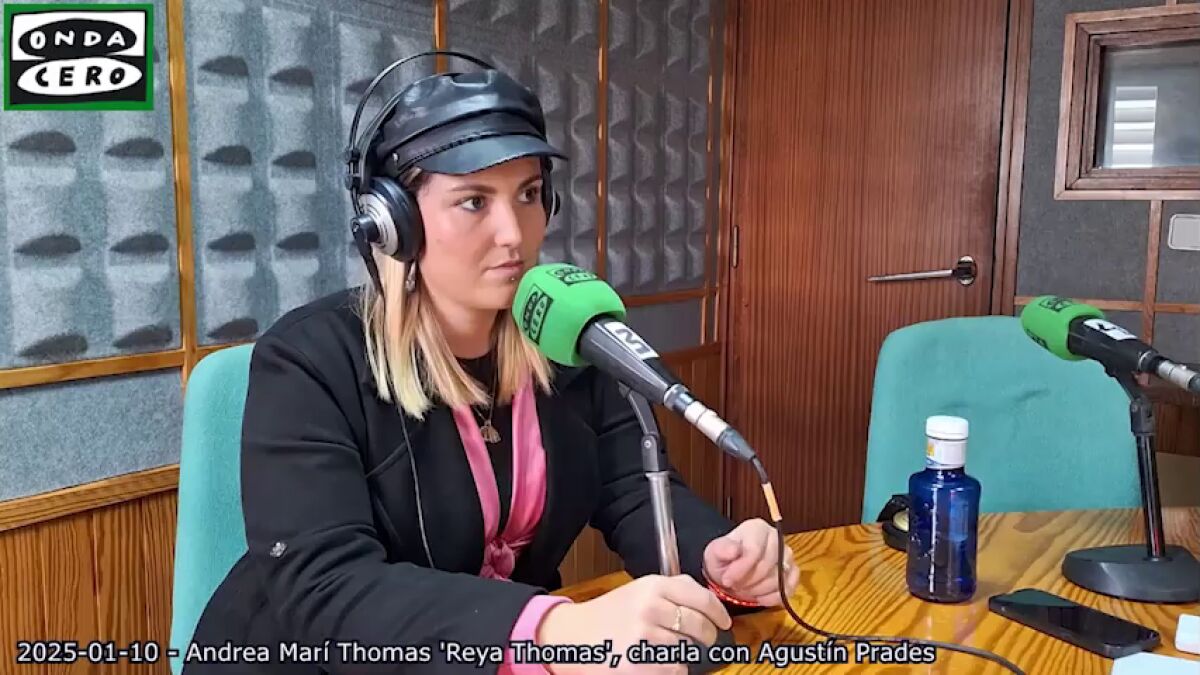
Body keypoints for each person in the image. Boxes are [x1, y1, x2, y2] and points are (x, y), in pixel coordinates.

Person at [182, 55, 799, 675]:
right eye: (474, 201)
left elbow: (634, 493)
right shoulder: (308, 361)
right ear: (394, 224)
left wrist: (718, 555)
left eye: (528, 194)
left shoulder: (569, 343)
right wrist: (551, 630)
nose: (513, 233)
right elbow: (328, 587)